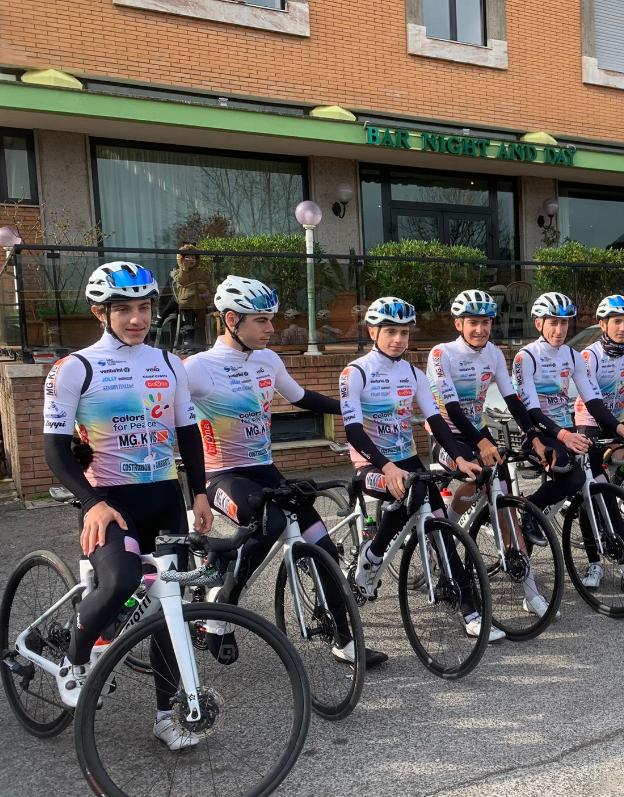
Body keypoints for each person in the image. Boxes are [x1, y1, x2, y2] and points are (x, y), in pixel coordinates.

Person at [42, 261, 213, 750]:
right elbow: (55, 450)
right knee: (120, 580)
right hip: (110, 503)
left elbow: (187, 433)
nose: (137, 318)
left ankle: (166, 715)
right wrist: (91, 502)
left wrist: (200, 493)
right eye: (123, 309)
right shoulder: (75, 368)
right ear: (101, 312)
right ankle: (75, 657)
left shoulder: (169, 363)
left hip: (164, 498)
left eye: (144, 308)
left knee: (169, 608)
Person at [185, 276, 385, 667]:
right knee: (270, 521)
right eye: (261, 320)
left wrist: (352, 410)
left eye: (271, 319)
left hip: (264, 470)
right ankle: (220, 612)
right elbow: (169, 418)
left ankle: (345, 640)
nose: (271, 328)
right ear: (231, 319)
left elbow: (301, 397)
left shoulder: (268, 360)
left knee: (323, 549)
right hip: (221, 475)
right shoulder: (198, 368)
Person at [343, 297, 496, 639]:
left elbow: (436, 420)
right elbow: (353, 431)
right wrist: (386, 467)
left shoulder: (413, 374)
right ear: (373, 332)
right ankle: (372, 556)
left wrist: (459, 457)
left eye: (404, 332)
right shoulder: (355, 373)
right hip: (371, 463)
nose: (398, 339)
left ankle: (469, 608)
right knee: (408, 493)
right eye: (390, 332)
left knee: (441, 527)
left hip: (408, 459)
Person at [513, 292, 624, 596]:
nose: (559, 329)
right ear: (538, 323)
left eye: (564, 323)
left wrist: (619, 428)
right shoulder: (527, 357)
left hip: (565, 430)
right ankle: (530, 509)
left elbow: (593, 399)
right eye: (553, 323)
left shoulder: (573, 356)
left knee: (601, 490)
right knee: (573, 475)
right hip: (537, 432)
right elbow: (531, 410)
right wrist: (563, 435)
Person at [426, 289, 549, 617]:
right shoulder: (441, 354)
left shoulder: (493, 353)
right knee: (476, 474)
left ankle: (530, 591)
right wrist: (481, 442)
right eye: (473, 323)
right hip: (446, 437)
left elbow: (512, 400)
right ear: (459, 324)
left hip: (477, 433)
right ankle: (444, 532)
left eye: (486, 322)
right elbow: (451, 409)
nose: (480, 329)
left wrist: (534, 436)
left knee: (504, 498)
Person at [170, 243, 212, 351]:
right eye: (188, 257)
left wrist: (207, 293)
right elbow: (181, 281)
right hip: (186, 304)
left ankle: (201, 347)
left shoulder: (202, 272)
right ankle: (188, 346)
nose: (191, 260)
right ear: (182, 259)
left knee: (201, 326)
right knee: (187, 326)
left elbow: (210, 286)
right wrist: (184, 268)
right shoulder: (178, 272)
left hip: (201, 303)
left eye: (193, 257)